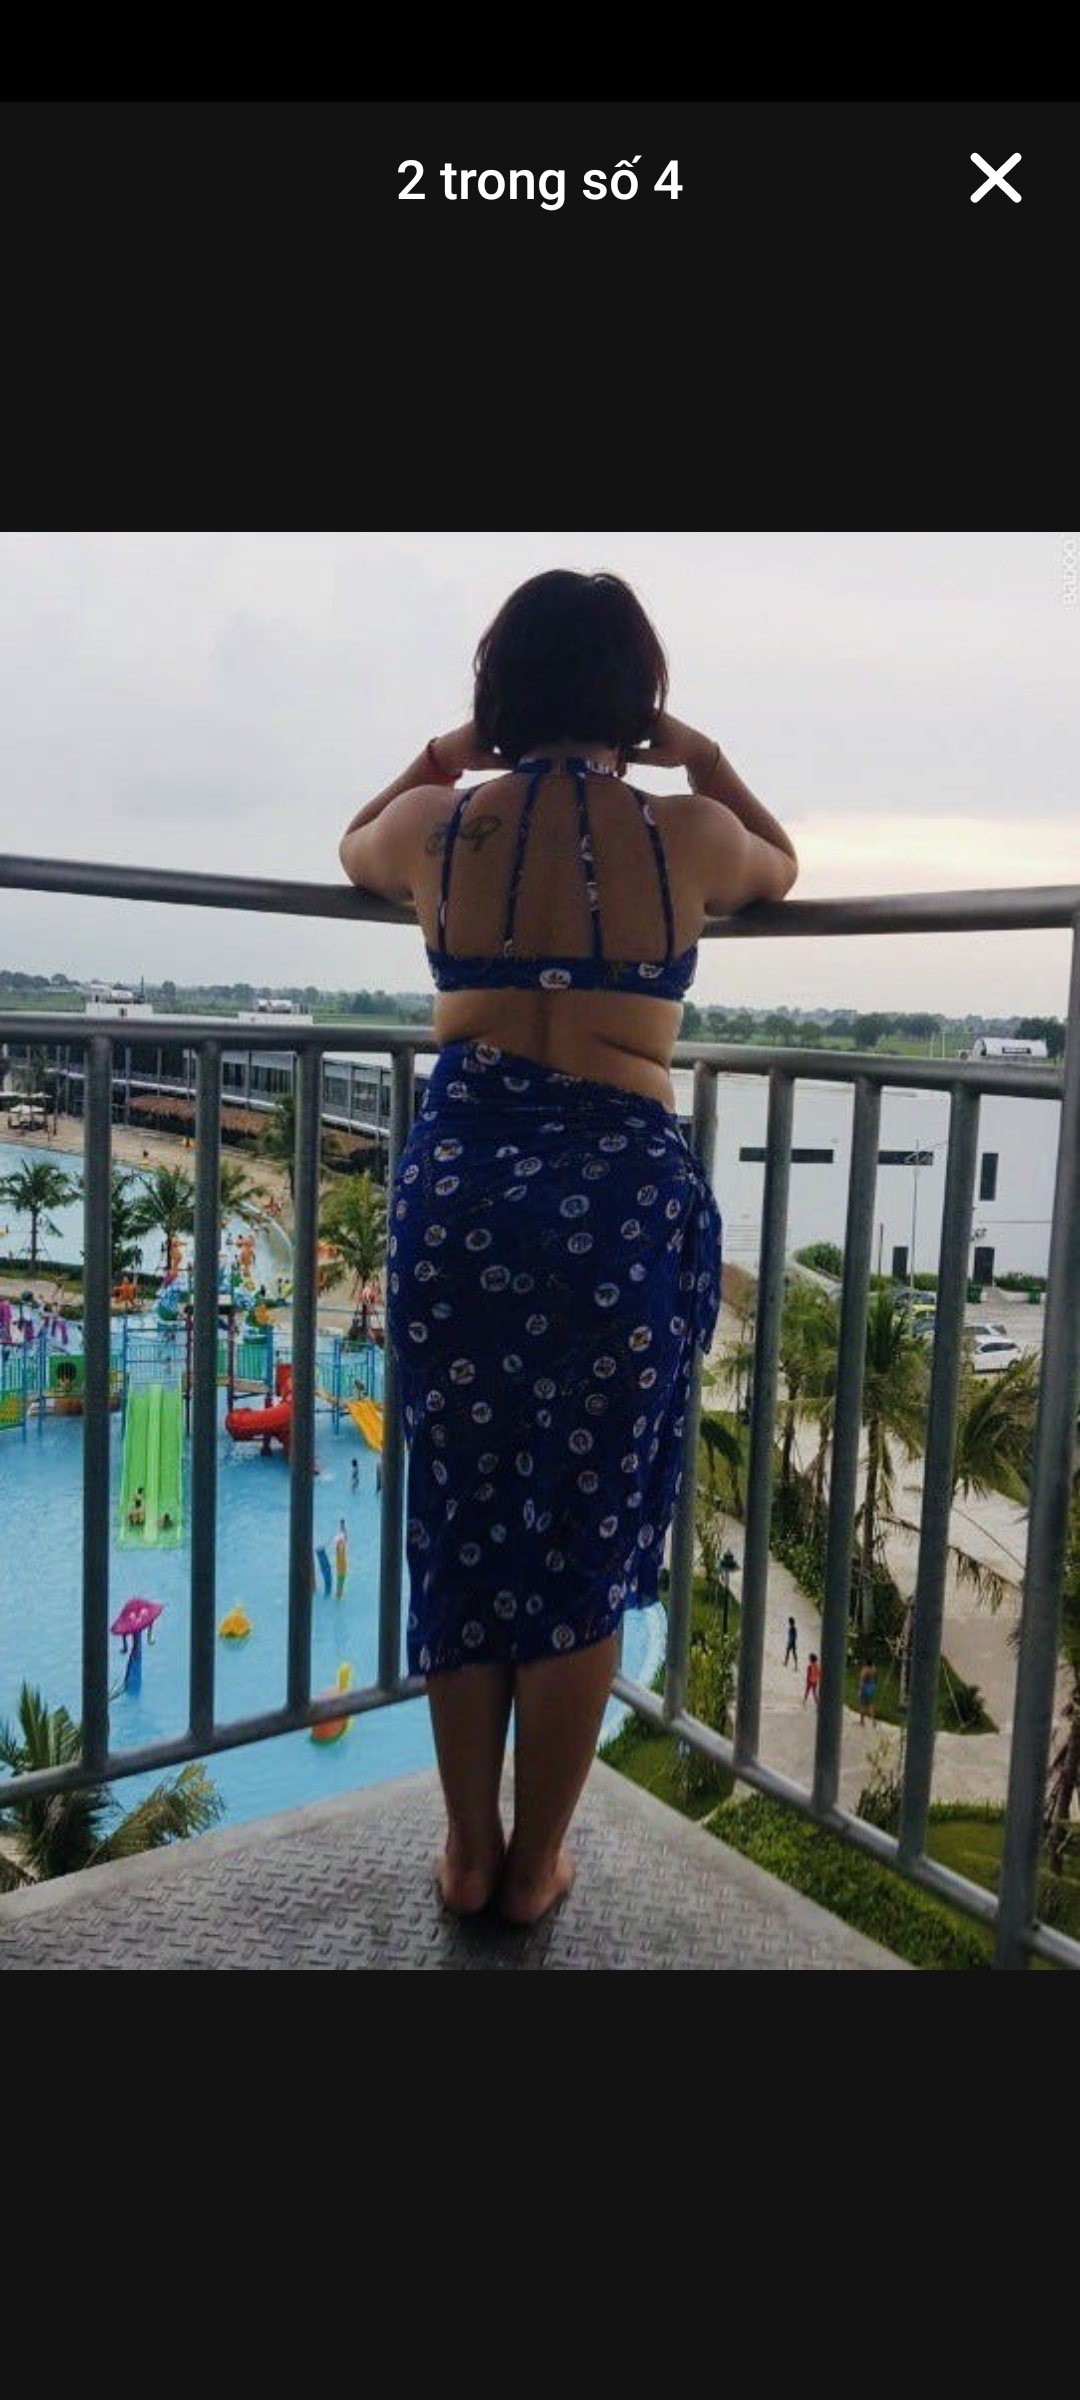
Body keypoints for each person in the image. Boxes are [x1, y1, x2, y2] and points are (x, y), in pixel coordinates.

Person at [339, 569, 798, 1925]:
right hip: (613, 1200)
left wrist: (444, 755)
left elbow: (352, 844)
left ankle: (465, 1851)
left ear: (497, 695)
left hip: (464, 1190)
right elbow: (784, 867)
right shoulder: (689, 832)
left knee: (463, 1526)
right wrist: (700, 756)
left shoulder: (439, 825)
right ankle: (535, 1866)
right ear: (637, 700)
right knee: (581, 1542)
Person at [858, 1659, 877, 1726]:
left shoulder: (865, 1670)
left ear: (866, 1664)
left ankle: (862, 1721)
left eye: (865, 1663)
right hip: (871, 1687)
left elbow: (861, 1680)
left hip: (865, 1687)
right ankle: (873, 1721)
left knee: (862, 1704)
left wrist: (860, 1690)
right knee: (870, 1704)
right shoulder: (873, 1669)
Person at [334, 1519, 348, 1599]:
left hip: (342, 1569)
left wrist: (342, 1525)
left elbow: (344, 1537)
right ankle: (338, 1596)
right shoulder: (339, 1548)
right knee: (340, 1583)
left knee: (340, 1583)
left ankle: (338, 1595)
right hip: (341, 1570)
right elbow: (343, 1537)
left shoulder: (340, 1546)